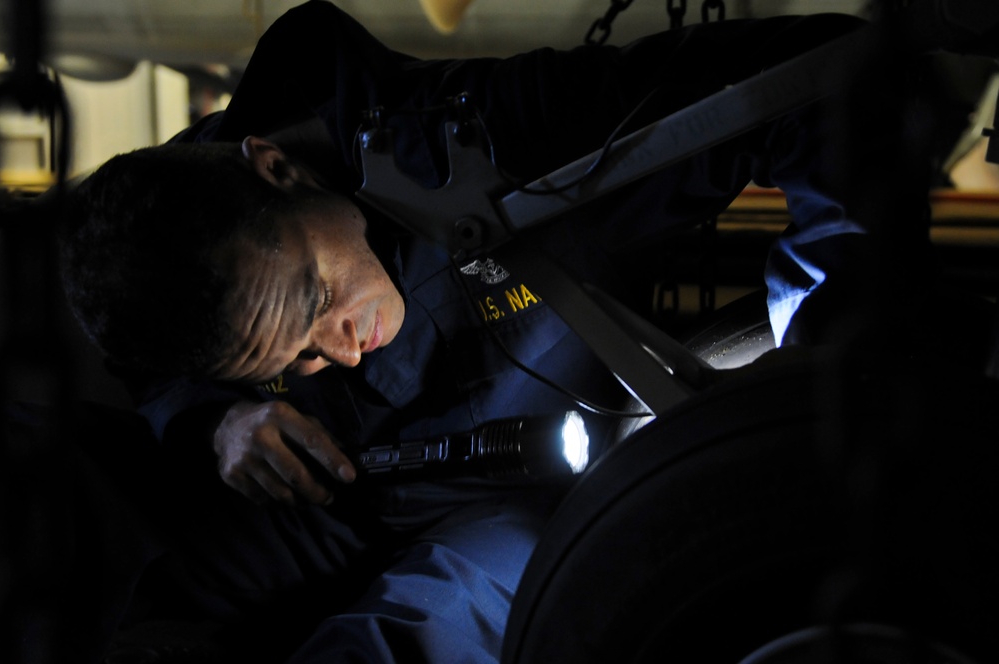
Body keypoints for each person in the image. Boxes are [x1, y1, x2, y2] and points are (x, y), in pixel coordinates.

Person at [55, 1, 872, 661]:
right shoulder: (166, 240)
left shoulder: (501, 135)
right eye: (295, 357)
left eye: (320, 298)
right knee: (146, 622)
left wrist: (824, 343)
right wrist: (214, 417)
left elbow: (831, 74)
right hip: (329, 490)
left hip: (528, 495)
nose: (339, 349)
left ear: (278, 168)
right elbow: (145, 352)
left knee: (414, 638)